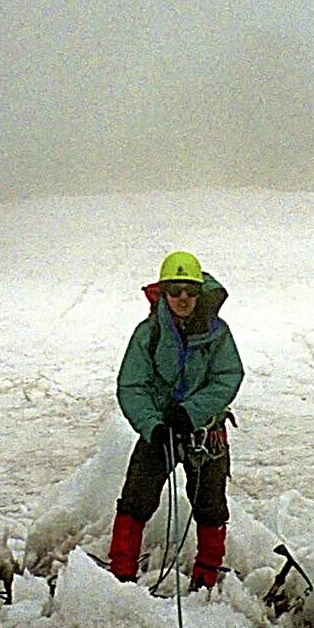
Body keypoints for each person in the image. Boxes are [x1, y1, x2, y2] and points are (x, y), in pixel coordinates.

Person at [108, 251, 244, 589]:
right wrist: (152, 425)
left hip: (204, 432)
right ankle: (121, 574)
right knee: (136, 499)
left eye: (190, 290)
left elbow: (228, 376)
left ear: (199, 292)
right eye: (175, 290)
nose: (183, 298)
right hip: (159, 431)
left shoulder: (217, 333)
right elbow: (132, 384)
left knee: (210, 505)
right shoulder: (148, 334)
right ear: (163, 292)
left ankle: (206, 575)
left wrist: (190, 412)